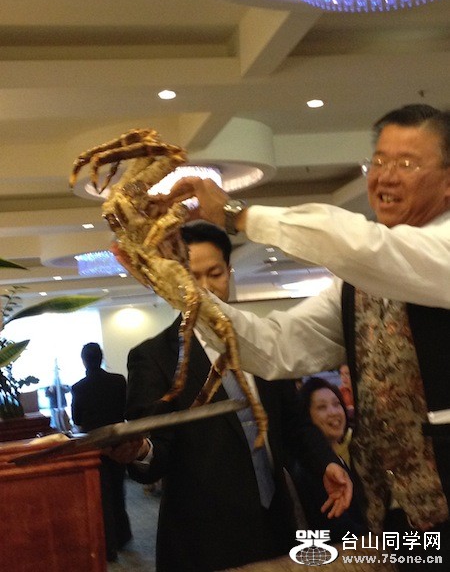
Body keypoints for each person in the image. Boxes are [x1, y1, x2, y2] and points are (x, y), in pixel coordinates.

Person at [155, 103, 450, 571]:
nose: (386, 176)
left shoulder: (435, 249)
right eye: (379, 161)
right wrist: (179, 287)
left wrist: (237, 214)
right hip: (397, 511)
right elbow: (277, 344)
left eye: (407, 163)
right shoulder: (356, 286)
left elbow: (368, 247)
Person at [110, 221, 351, 572]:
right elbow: (155, 449)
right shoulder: (154, 357)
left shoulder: (263, 341)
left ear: (229, 271)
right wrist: (140, 450)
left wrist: (325, 462)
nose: (206, 289)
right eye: (192, 278)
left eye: (215, 274)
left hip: (278, 527)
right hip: (203, 541)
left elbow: (295, 424)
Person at [71, 342, 132, 562]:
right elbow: (126, 409)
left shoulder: (78, 388)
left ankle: (109, 545)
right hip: (117, 441)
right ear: (102, 357)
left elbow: (77, 419)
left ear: (83, 361)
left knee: (101, 495)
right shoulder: (119, 381)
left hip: (94, 446)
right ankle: (123, 536)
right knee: (117, 490)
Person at [292, 376, 367, 543]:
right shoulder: (314, 469)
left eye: (336, 404)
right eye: (322, 407)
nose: (333, 412)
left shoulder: (339, 459)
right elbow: (339, 529)